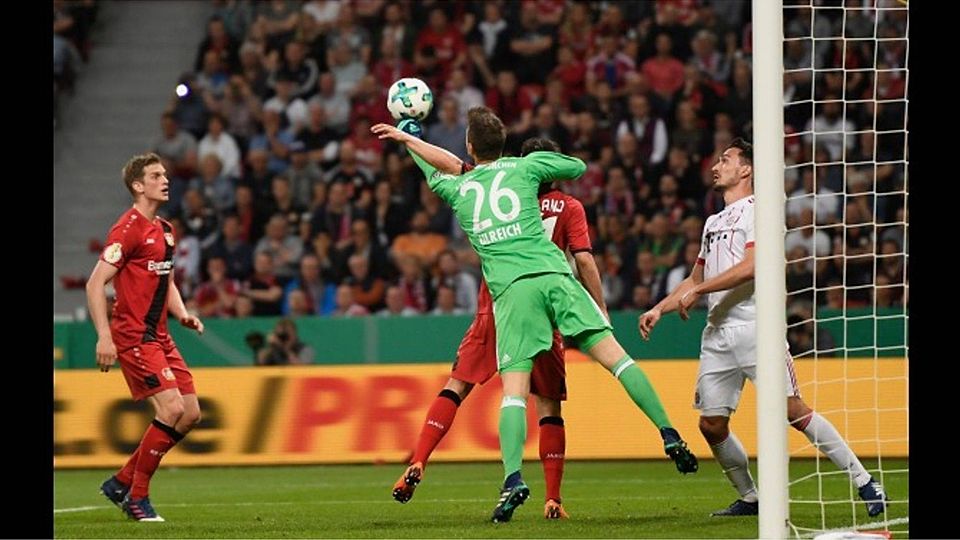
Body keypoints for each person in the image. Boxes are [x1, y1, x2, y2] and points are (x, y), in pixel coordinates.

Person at [373, 108, 697, 523]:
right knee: (619, 360)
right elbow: (576, 167)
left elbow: (438, 171)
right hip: (558, 280)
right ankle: (668, 432)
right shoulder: (527, 171)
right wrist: (535, 163)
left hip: (512, 294)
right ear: (504, 143)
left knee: (513, 391)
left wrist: (409, 140)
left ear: (470, 147)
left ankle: (512, 478)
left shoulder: (457, 188)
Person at [638, 138, 888, 517]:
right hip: (718, 333)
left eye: (726, 159)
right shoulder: (713, 221)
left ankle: (865, 481)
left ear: (746, 169)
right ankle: (751, 497)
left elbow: (752, 267)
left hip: (757, 327)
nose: (716, 165)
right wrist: (660, 308)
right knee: (711, 424)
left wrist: (700, 290)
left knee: (793, 409)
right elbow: (695, 277)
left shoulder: (760, 211)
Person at [388, 136, 607, 520]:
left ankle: (419, 459)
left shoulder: (493, 182)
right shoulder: (569, 206)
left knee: (456, 386)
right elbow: (584, 261)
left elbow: (449, 166)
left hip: (497, 304)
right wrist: (598, 312)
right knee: (548, 405)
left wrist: (408, 136)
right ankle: (553, 498)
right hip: (544, 307)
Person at [85, 153, 205, 522]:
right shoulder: (127, 229)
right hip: (133, 336)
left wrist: (182, 312)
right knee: (171, 410)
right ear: (139, 186)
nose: (165, 180)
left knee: (190, 415)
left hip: (161, 336)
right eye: (156, 175)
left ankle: (121, 481)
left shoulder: (166, 230)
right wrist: (104, 336)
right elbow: (95, 283)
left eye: (165, 174)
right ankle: (137, 497)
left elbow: (165, 279)